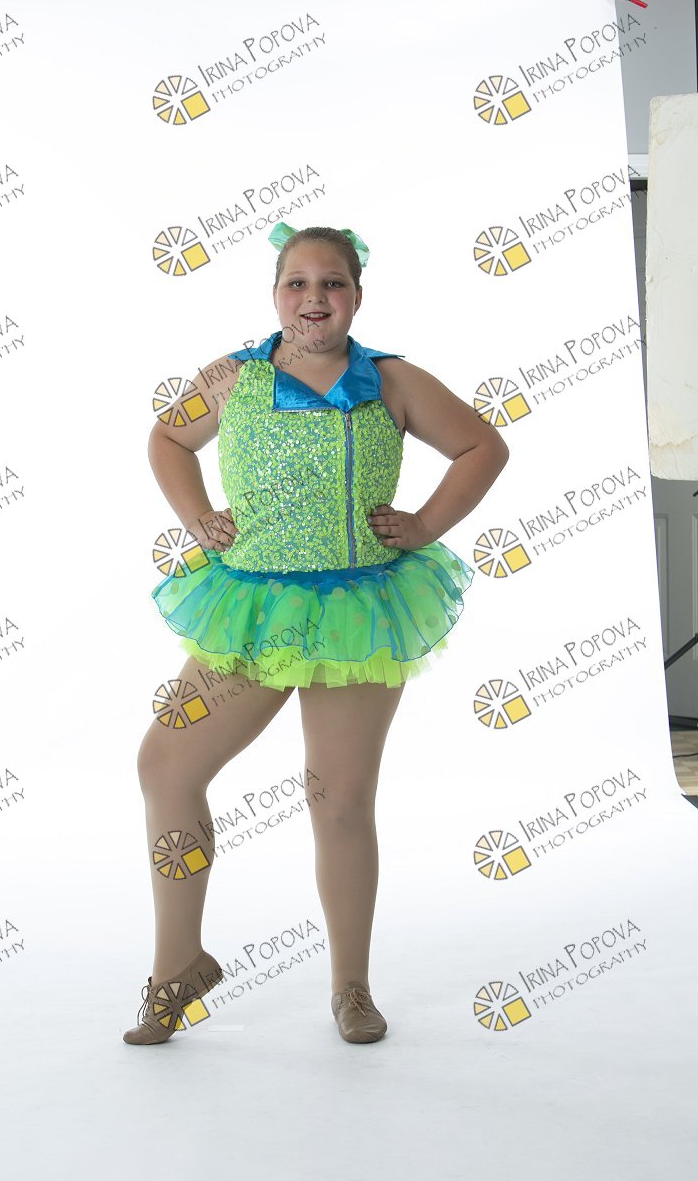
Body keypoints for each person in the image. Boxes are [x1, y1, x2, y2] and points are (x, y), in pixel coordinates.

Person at [124, 222, 509, 1046]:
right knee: (166, 764)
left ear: (357, 296)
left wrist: (424, 525)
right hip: (254, 611)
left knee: (338, 799)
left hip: (357, 614)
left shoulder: (391, 381)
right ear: (274, 295)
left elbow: (482, 444)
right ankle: (177, 965)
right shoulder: (231, 377)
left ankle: (351, 987)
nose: (314, 299)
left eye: (332, 283)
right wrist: (197, 517)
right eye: (296, 283)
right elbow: (167, 437)